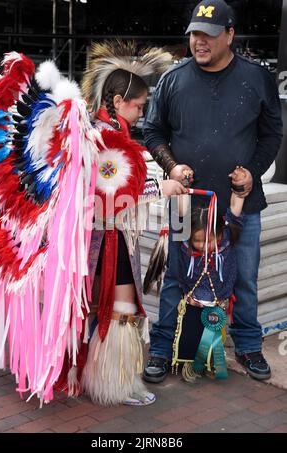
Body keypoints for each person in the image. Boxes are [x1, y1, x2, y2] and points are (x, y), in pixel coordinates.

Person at [142, 0, 283, 383]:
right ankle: (161, 348)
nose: (199, 42)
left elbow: (272, 134)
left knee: (244, 278)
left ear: (230, 35)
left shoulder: (257, 78)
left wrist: (252, 173)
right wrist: (171, 166)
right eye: (194, 35)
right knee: (175, 276)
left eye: (209, 35)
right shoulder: (174, 79)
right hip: (189, 205)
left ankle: (249, 346)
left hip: (241, 202)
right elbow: (153, 132)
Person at [55, 41, 187, 406]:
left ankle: (106, 378)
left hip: (109, 237)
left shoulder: (107, 133)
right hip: (107, 239)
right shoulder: (104, 137)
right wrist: (163, 185)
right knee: (121, 307)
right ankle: (117, 384)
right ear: (117, 101)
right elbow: (114, 193)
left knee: (111, 307)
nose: (142, 113)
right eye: (139, 106)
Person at [172, 167, 245, 382]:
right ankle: (189, 368)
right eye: (199, 241)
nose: (204, 246)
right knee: (189, 335)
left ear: (221, 234)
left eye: (210, 241)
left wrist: (239, 188)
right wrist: (184, 187)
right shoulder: (185, 245)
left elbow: (235, 212)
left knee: (213, 337)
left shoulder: (227, 242)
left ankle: (211, 365)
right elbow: (181, 215)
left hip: (217, 302)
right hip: (193, 302)